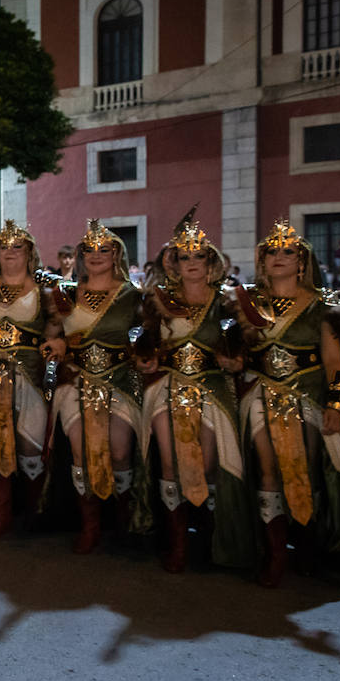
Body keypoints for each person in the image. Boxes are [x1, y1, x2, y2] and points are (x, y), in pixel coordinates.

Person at [240, 220, 340, 586]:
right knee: (267, 468)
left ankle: (308, 543)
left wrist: (336, 406)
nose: (278, 257)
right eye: (271, 251)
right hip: (259, 394)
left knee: (303, 469)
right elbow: (238, 355)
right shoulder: (246, 304)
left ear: (302, 261)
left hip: (306, 398)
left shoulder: (323, 307)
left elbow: (335, 363)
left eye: (287, 251)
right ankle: (276, 552)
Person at [135, 210, 254, 574]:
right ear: (173, 262)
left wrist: (235, 360)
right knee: (170, 462)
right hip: (167, 386)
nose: (191, 262)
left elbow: (239, 345)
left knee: (207, 465)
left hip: (212, 387)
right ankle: (178, 544)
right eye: (183, 256)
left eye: (198, 256)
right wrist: (144, 358)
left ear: (211, 261)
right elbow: (140, 337)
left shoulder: (227, 302)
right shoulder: (156, 300)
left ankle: (208, 535)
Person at [39, 220, 146, 553]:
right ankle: (90, 526)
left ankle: (123, 519)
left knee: (119, 452)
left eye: (104, 249)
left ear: (116, 254)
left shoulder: (133, 296)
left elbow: (146, 339)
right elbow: (53, 333)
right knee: (80, 450)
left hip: (120, 380)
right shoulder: (66, 293)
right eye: (89, 250)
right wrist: (56, 344)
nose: (96, 255)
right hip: (76, 380)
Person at [0, 220, 57, 540]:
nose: (10, 252)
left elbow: (60, 330)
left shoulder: (47, 289)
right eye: (4, 246)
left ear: (30, 252)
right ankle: (1, 514)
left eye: (18, 246)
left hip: (30, 374)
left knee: (31, 443)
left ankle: (33, 512)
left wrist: (58, 345)